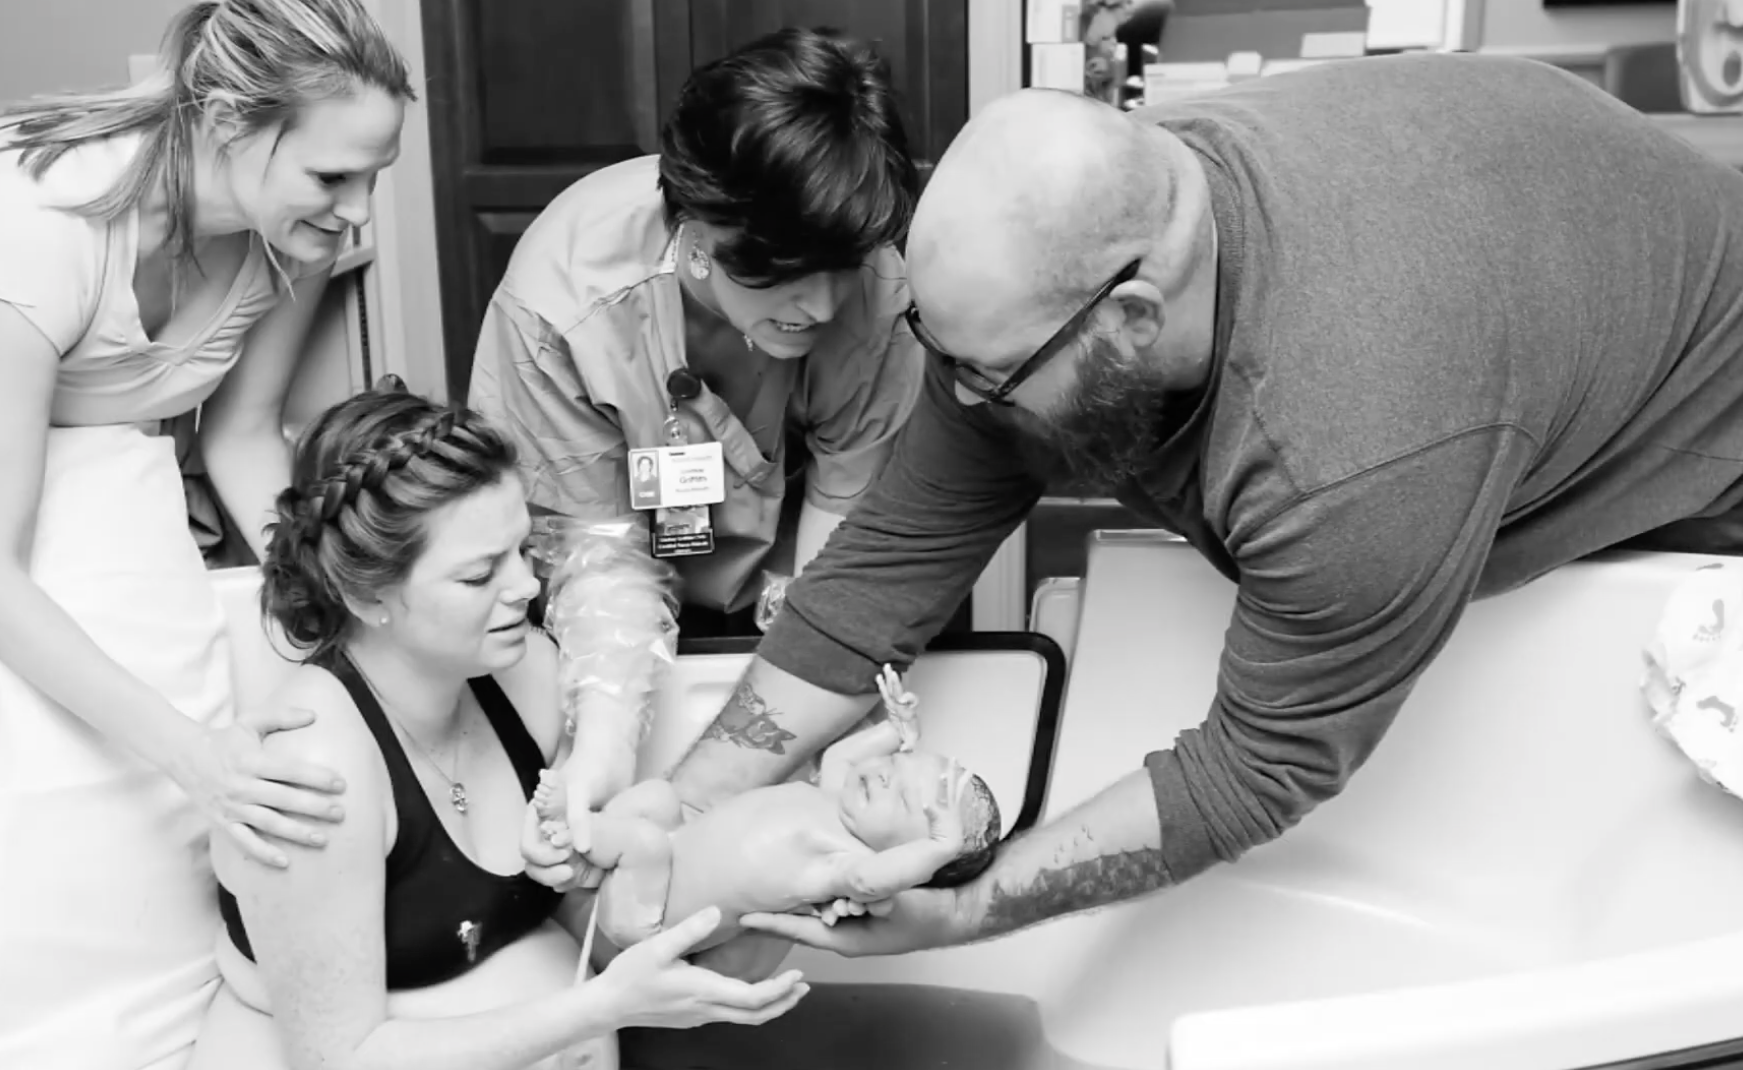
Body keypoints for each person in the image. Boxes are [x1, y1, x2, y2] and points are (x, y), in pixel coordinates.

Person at [534, 53, 1743, 961]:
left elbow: (1256, 764)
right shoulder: (1074, 229)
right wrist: (684, 810)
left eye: (983, 376)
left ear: (1127, 319)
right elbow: (888, 562)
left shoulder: (1351, 448)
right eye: (929, 347)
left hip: (1693, 445)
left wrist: (965, 906)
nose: (951, 398)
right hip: (1517, 240)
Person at [0, 0, 411, 1061]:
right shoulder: (35, 222)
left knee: (147, 847)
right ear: (228, 122)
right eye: (332, 177)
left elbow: (239, 438)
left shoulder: (294, 234)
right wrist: (200, 759)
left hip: (101, 482)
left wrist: (340, 609)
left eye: (373, 176)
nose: (358, 211)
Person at [192, 389, 809, 1070]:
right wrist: (602, 1008)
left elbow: (564, 898)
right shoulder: (314, 773)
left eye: (522, 549)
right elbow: (341, 1059)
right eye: (479, 574)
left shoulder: (520, 675)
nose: (523, 586)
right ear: (368, 595)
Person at [466, 26, 926, 639]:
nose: (820, 306)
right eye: (784, 271)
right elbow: (595, 567)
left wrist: (806, 655)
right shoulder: (563, 308)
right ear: (697, 222)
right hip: (615, 600)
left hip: (802, 584)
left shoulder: (874, 285)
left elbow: (844, 520)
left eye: (839, 269)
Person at [535, 666, 1001, 952]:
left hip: (650, 922)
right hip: (662, 861)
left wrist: (942, 847)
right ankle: (590, 867)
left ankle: (571, 829)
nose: (882, 773)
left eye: (897, 796)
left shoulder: (846, 864)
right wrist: (894, 732)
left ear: (911, 858)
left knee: (645, 841)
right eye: (897, 766)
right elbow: (839, 757)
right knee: (657, 799)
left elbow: (871, 881)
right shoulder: (837, 801)